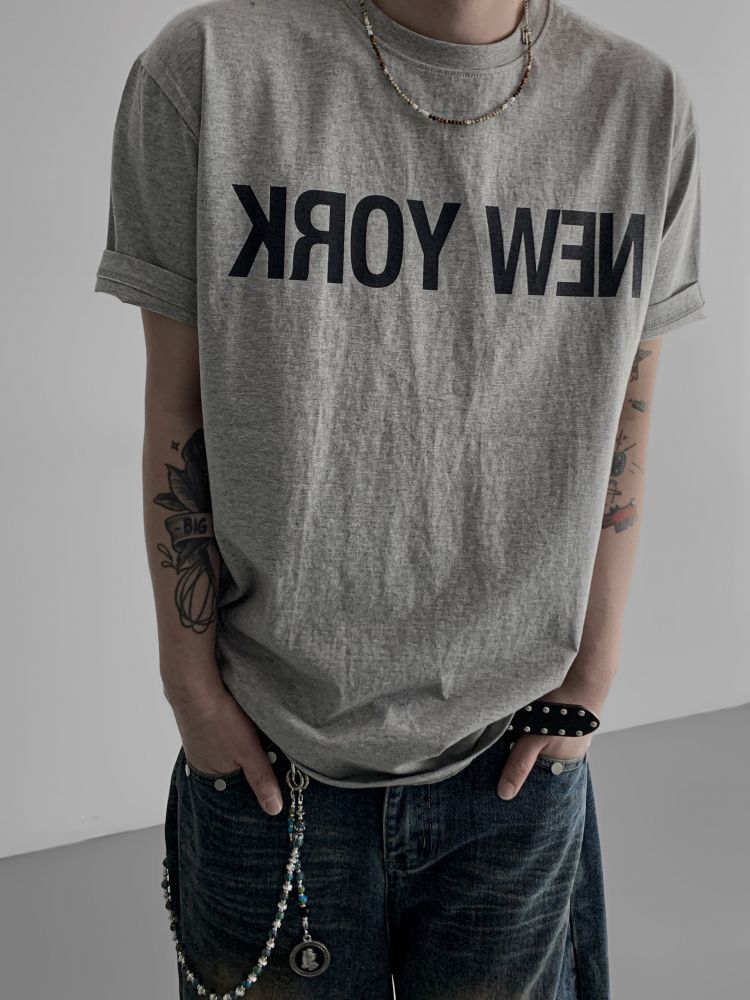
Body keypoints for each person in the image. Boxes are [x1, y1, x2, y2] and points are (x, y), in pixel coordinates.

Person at [94, 0, 706, 996]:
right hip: (269, 758)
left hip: (514, 761)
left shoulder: (642, 107)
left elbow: (624, 418)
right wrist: (192, 695)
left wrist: (592, 676)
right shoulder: (207, 72)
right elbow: (177, 408)